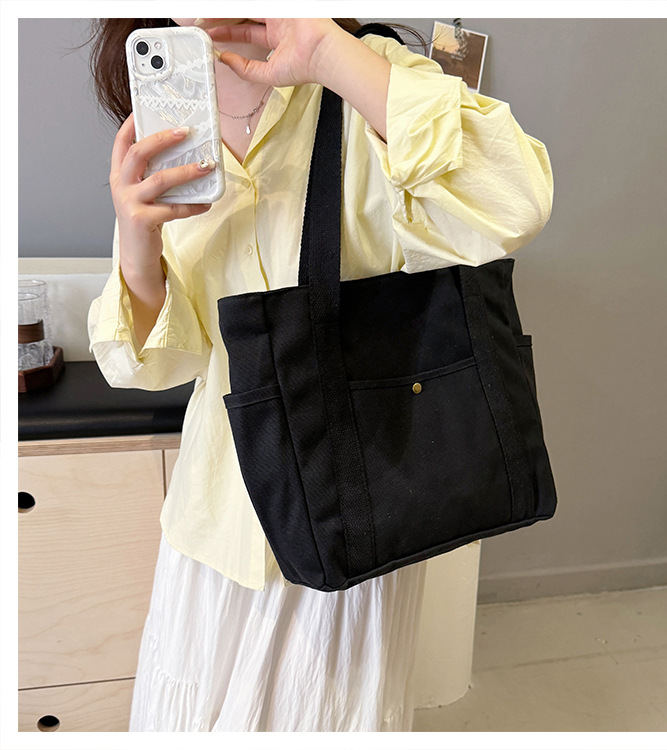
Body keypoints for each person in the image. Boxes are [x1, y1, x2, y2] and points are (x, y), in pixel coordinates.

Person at [87, 17, 553, 732]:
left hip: (356, 516)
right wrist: (137, 242)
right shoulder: (167, 111)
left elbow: (514, 201)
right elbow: (159, 365)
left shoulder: (370, 73)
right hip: (218, 524)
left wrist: (331, 55)